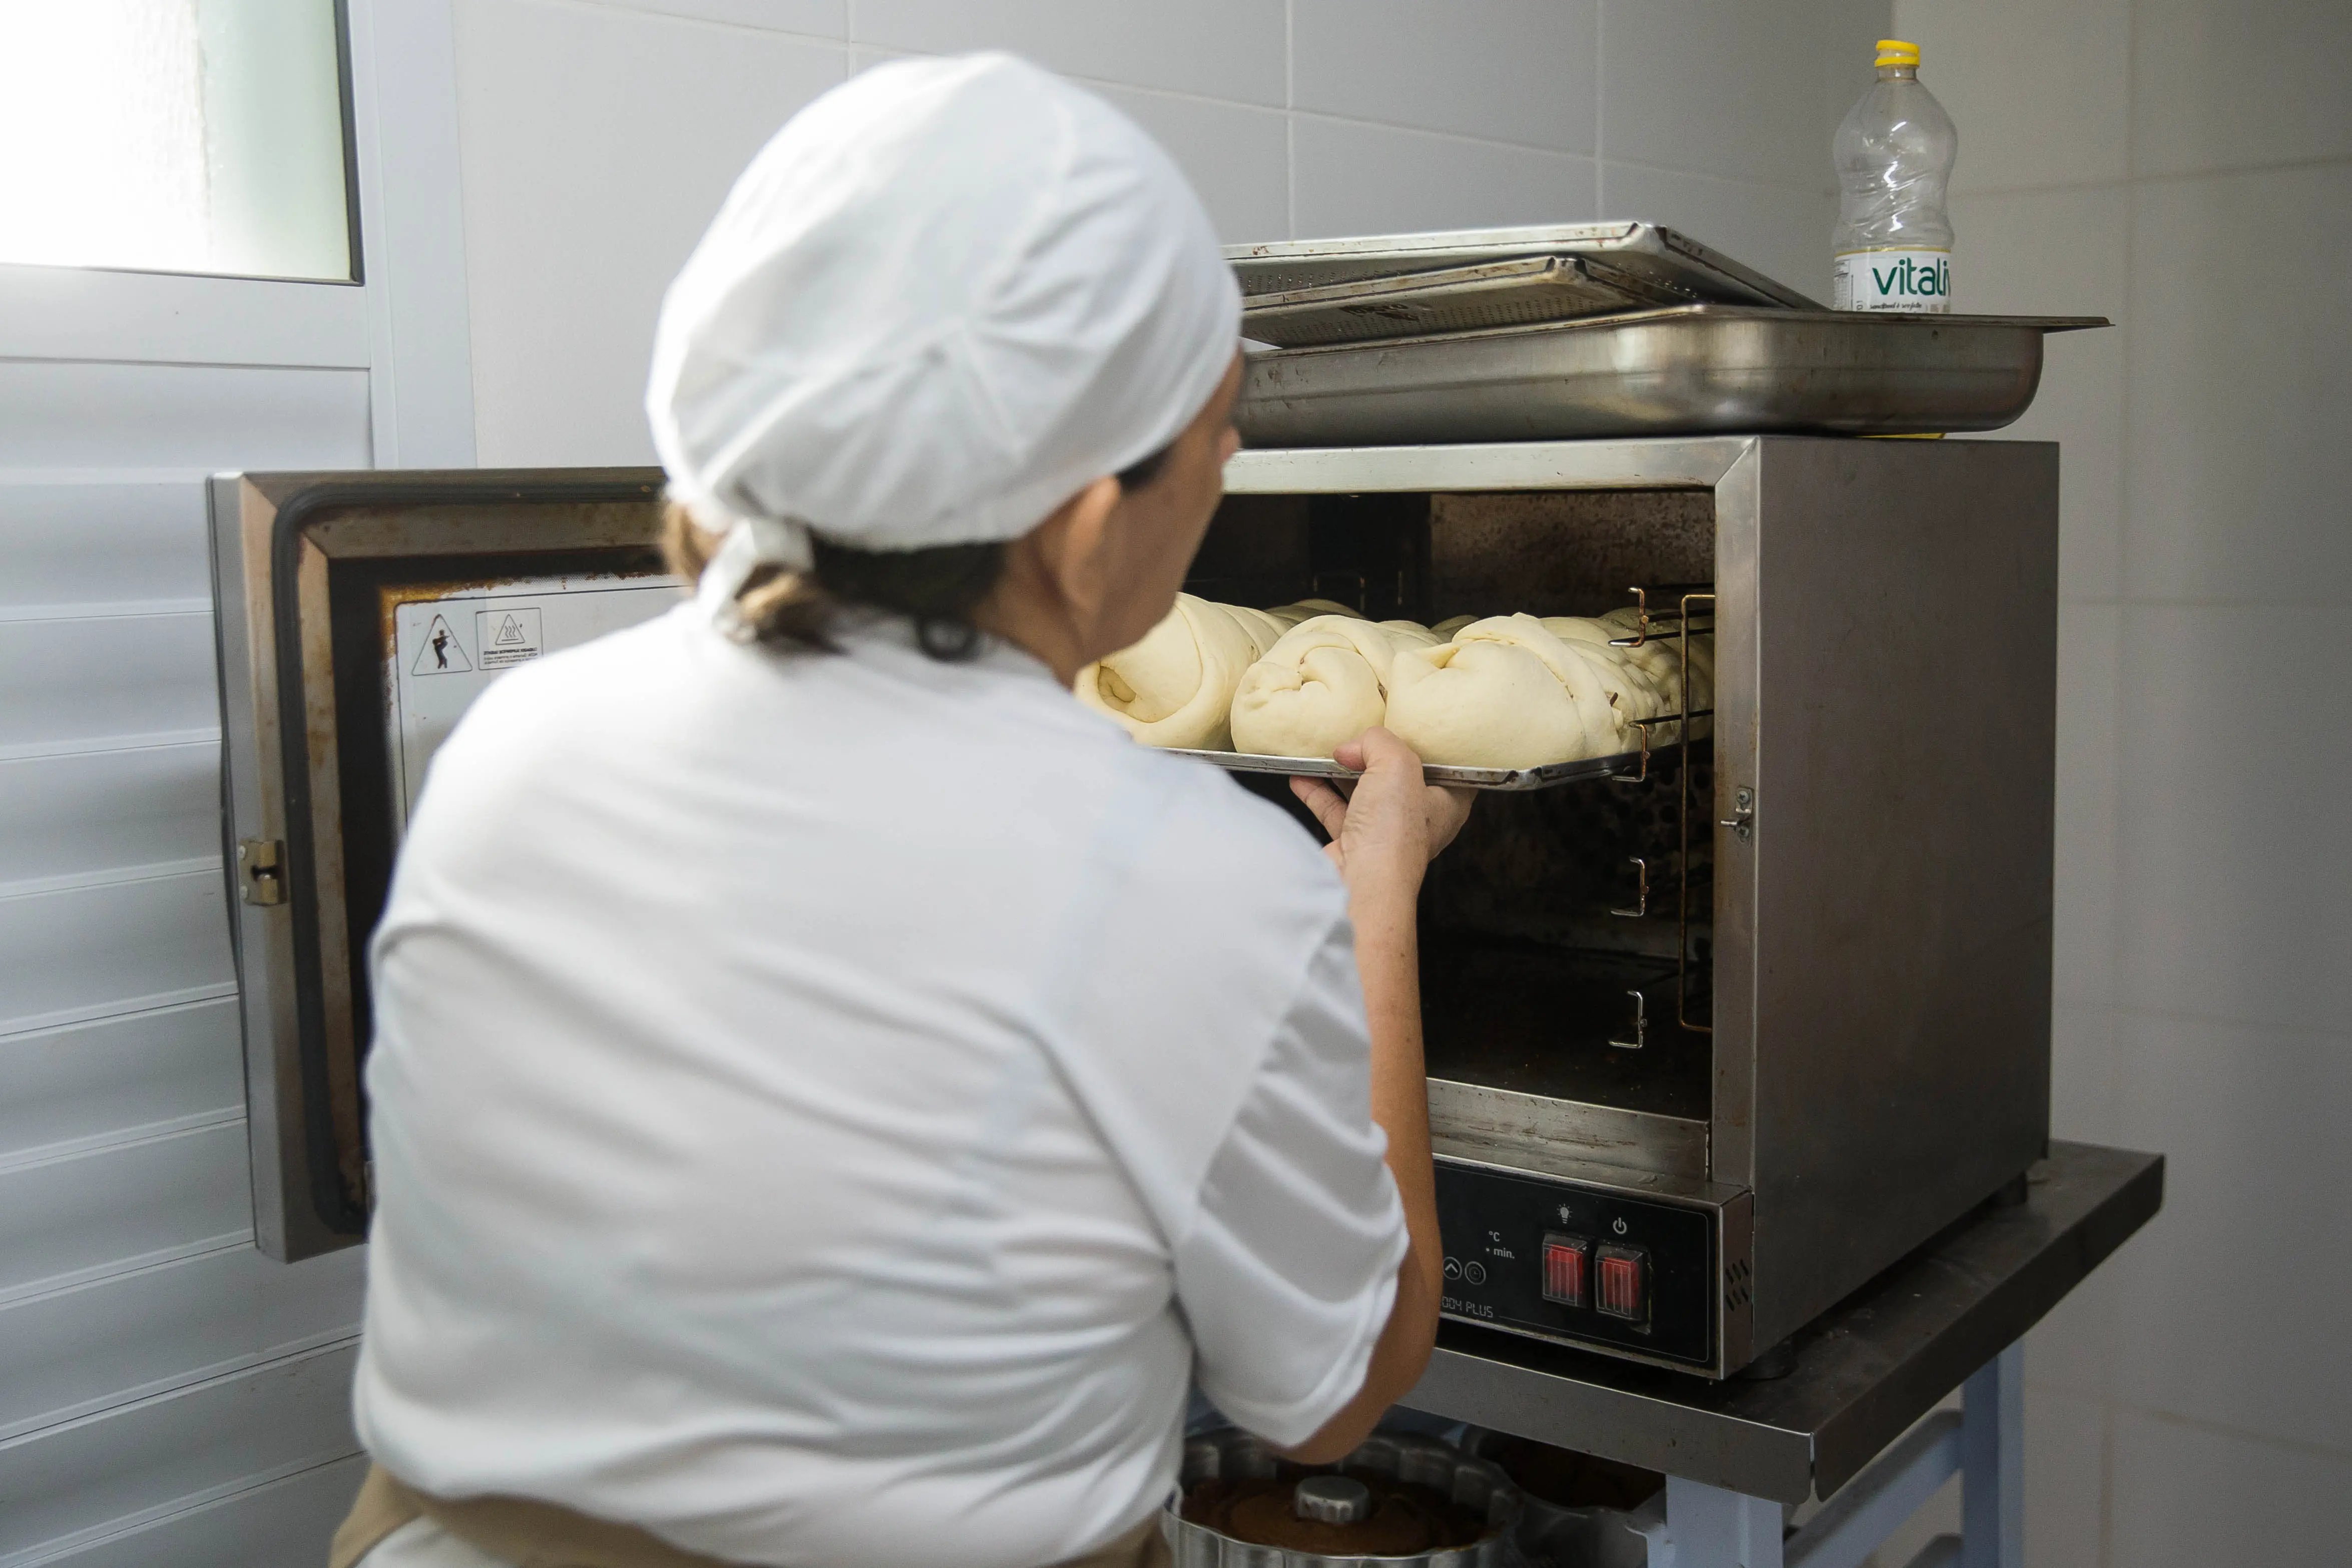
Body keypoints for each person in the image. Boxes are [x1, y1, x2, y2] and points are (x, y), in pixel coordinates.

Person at [330, 52, 1470, 1568]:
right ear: (1077, 521)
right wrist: (1371, 899)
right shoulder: (1189, 878)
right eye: (1213, 430)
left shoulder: (515, 736)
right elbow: (1335, 1394)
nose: (1231, 460)